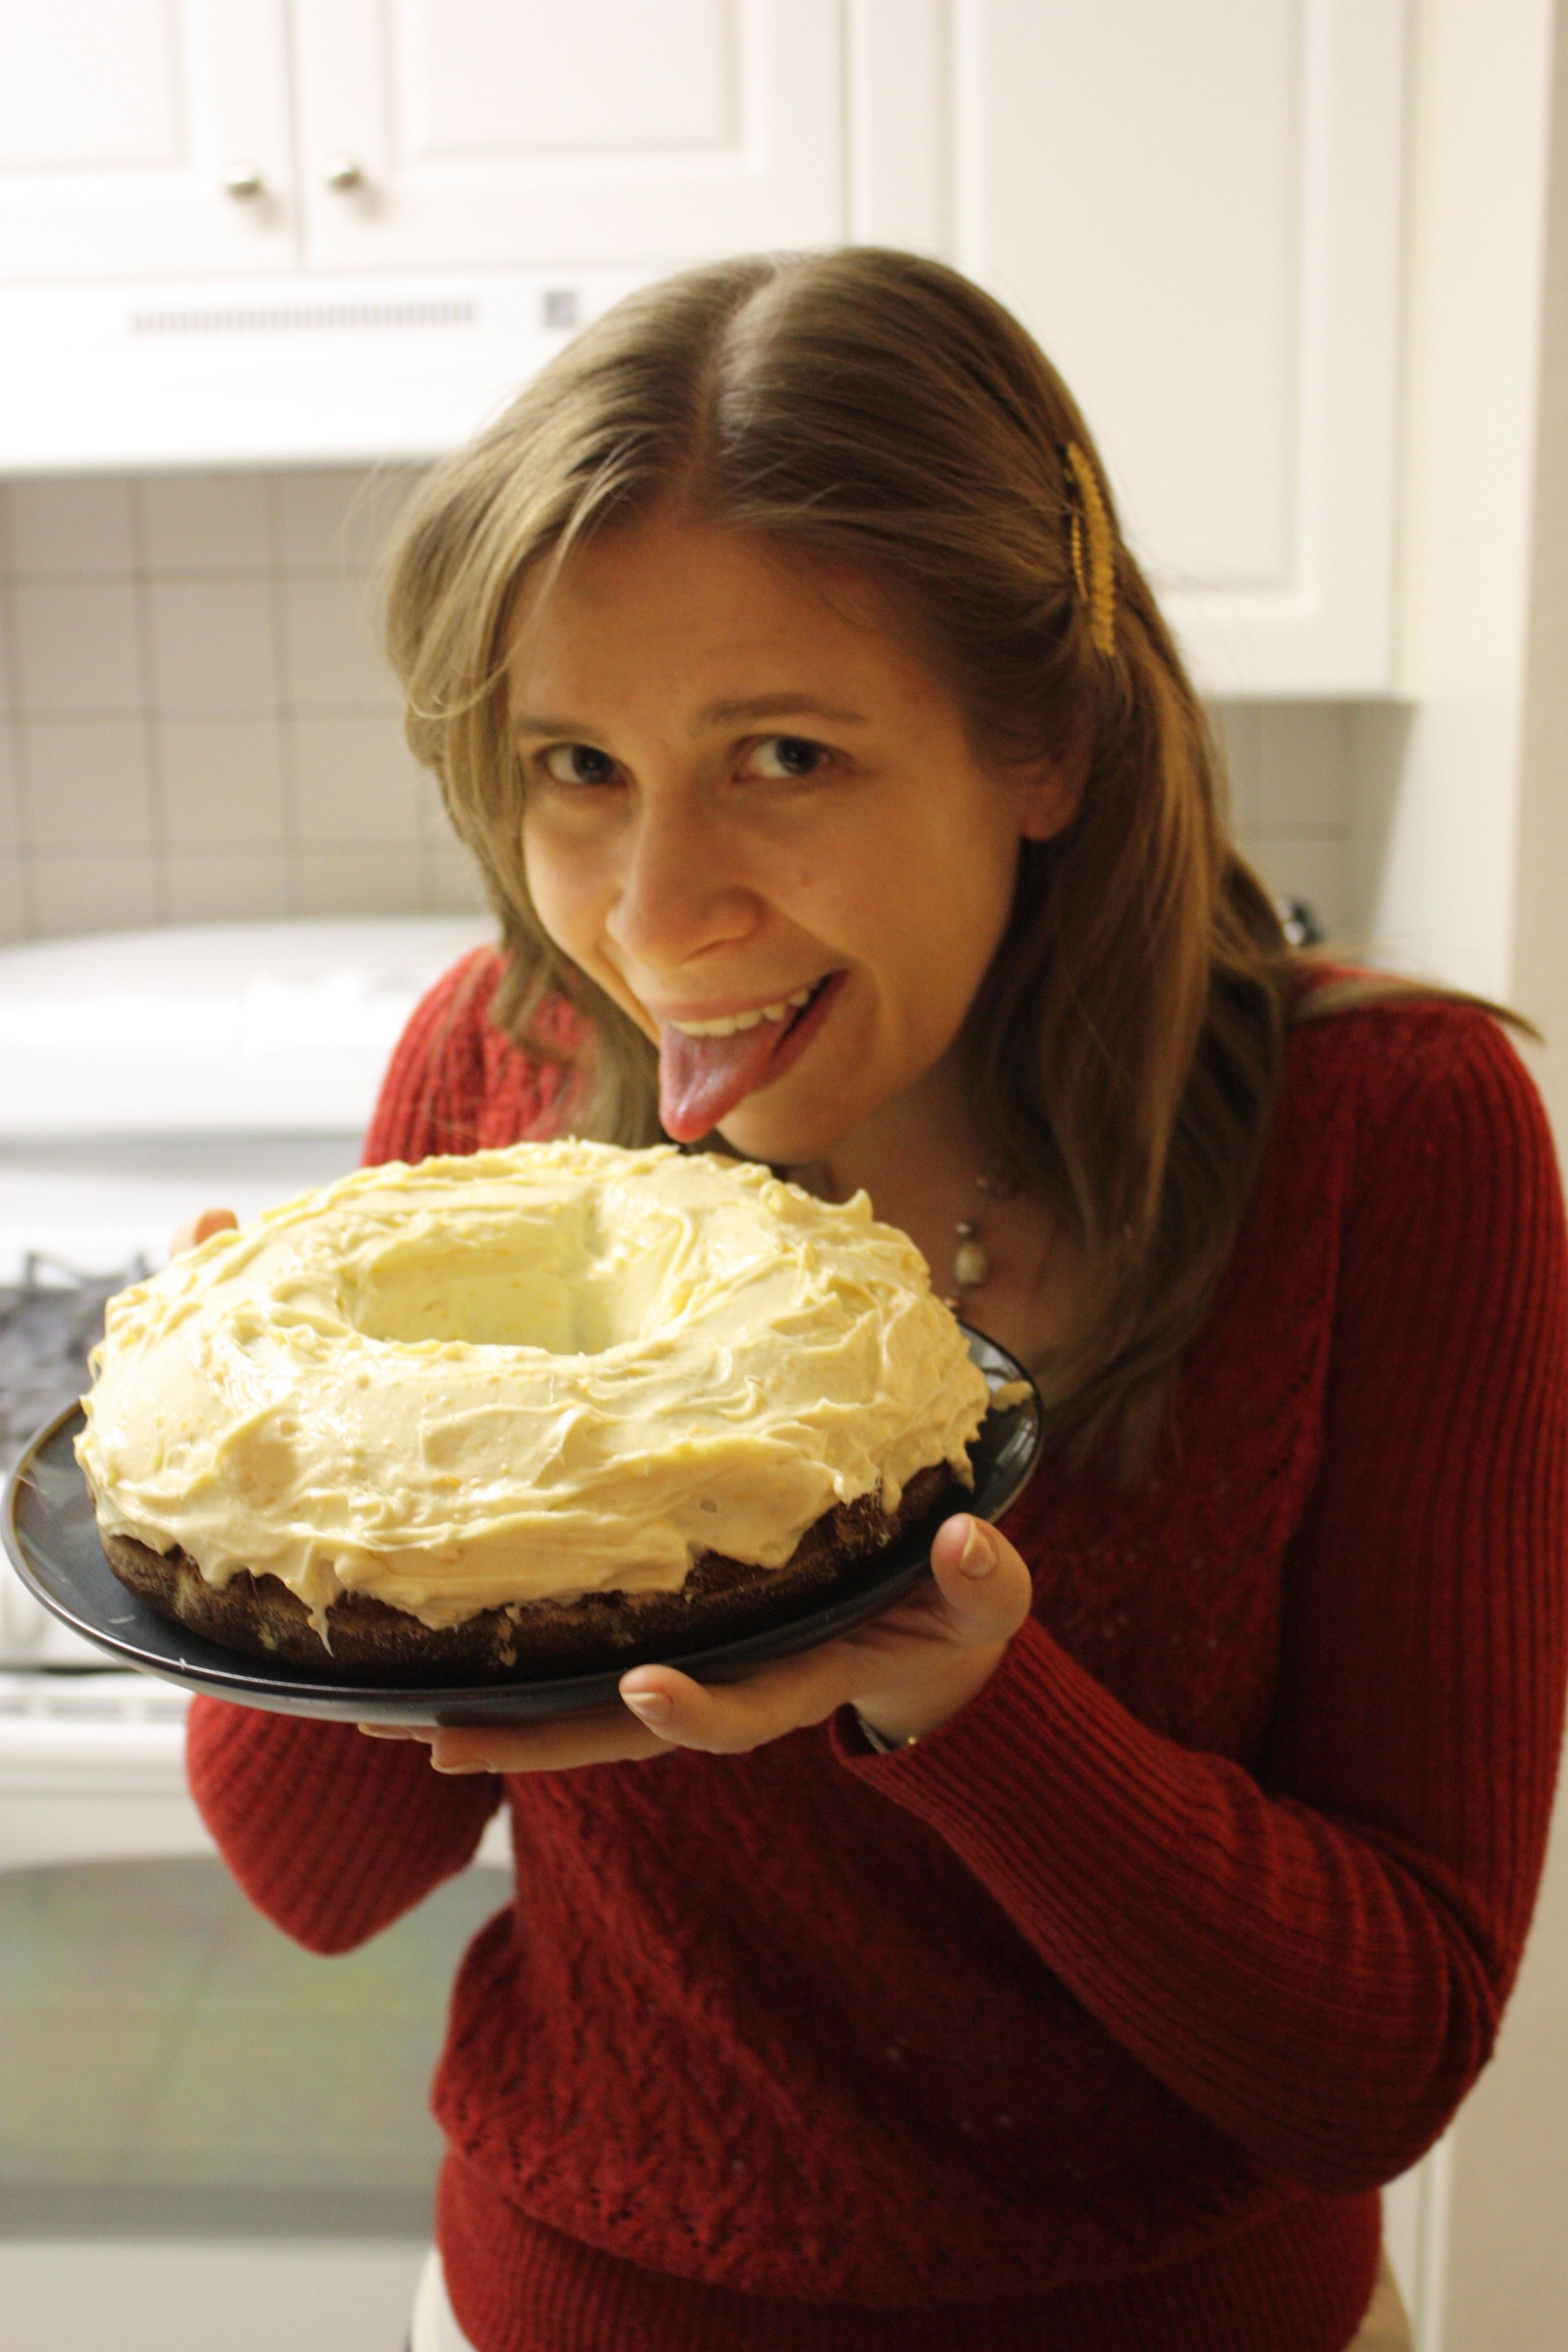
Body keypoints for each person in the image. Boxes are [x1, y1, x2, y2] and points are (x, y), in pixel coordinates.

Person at [181, 249, 1567, 2352]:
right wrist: (293, 1489)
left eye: (789, 756)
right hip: (574, 2304)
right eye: (576, 765)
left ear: (1052, 745)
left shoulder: (1391, 1135)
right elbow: (313, 1878)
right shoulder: (505, 1072)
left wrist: (968, 1698)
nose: (656, 918)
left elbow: (1385, 2057)